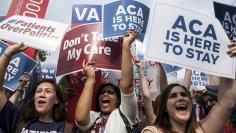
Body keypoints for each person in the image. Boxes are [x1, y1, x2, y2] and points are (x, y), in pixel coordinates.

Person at [141, 41, 236, 133]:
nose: (181, 98)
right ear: (164, 107)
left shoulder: (203, 130)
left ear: (191, 103)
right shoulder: (152, 131)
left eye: (184, 95)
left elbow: (226, 103)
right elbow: (147, 96)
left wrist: (230, 59)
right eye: (173, 96)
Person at [75, 30, 137, 133]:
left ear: (118, 100)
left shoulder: (126, 112)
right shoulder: (93, 116)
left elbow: (127, 87)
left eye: (110, 92)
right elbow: (80, 119)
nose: (105, 94)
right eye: (102, 92)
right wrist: (90, 79)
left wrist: (125, 45)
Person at [0, 43, 67, 133]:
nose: (42, 94)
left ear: (57, 100)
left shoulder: (66, 129)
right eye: (38, 91)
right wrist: (8, 53)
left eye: (48, 91)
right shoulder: (17, 120)